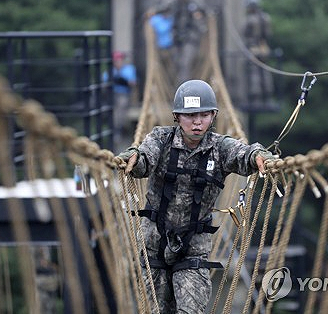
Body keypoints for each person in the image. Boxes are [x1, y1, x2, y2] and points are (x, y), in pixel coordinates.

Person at [116, 79, 276, 313]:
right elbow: (144, 160)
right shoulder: (161, 139)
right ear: (177, 117)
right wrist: (133, 158)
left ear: (213, 116)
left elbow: (244, 154)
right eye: (190, 116)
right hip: (154, 247)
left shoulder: (220, 148)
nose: (197, 122)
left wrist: (260, 156)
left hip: (193, 249)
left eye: (203, 115)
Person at [161, 0, 208, 84]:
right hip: (176, 39)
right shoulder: (173, 2)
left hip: (190, 39)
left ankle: (184, 86)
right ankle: (178, 86)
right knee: (175, 64)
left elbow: (205, 14)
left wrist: (199, 17)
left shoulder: (196, 3)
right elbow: (162, 9)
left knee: (185, 63)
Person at [243, 0, 274, 106]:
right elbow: (268, 34)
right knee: (265, 71)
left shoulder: (250, 19)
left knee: (254, 72)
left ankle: (255, 98)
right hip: (264, 46)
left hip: (253, 47)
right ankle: (268, 97)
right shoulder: (266, 18)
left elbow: (245, 33)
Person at [102, 51, 137, 144]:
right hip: (111, 95)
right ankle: (113, 129)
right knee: (111, 108)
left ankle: (117, 129)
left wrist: (121, 80)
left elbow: (132, 83)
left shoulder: (129, 69)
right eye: (116, 61)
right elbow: (104, 84)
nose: (117, 62)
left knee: (121, 106)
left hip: (124, 94)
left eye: (119, 60)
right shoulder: (110, 70)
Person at [148, 4, 175, 81]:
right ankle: (163, 79)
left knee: (170, 66)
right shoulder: (156, 20)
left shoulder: (170, 19)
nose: (166, 15)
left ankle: (169, 80)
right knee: (161, 65)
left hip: (169, 47)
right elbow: (161, 29)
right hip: (160, 47)